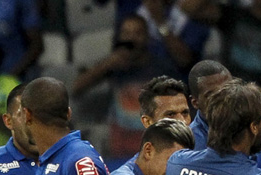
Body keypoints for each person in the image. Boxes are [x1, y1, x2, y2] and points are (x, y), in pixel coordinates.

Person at [72, 15, 181, 161]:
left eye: (137, 33)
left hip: (154, 147)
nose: (131, 39)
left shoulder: (162, 67)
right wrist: (106, 65)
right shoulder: (112, 65)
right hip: (119, 146)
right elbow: (76, 89)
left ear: (147, 37)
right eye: (126, 33)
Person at [187, 59, 231, 150]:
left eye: (227, 90)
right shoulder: (190, 143)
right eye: (212, 95)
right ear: (195, 103)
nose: (223, 99)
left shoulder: (254, 127)